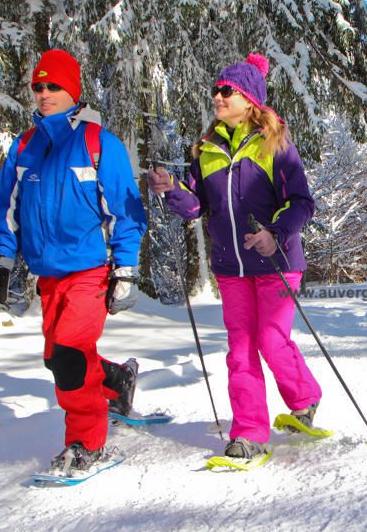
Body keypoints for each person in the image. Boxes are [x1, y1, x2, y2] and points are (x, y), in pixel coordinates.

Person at [146, 53, 321, 461]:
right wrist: (172, 187)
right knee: (240, 349)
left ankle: (305, 398)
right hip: (231, 267)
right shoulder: (205, 150)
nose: (217, 97)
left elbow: (302, 203)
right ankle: (250, 433)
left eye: (227, 91)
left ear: (249, 100)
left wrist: (274, 234)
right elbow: (194, 207)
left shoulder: (275, 144)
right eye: (216, 91)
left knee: (271, 341)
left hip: (277, 263)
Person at [0, 49, 147, 475]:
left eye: (53, 86)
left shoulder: (97, 144)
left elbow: (126, 211)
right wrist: (2, 260)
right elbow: (4, 206)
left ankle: (86, 444)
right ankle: (116, 382)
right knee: (56, 358)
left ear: (72, 91)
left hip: (90, 271)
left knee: (71, 357)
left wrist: (125, 269)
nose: (44, 94)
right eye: (38, 86)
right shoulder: (25, 147)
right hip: (47, 276)